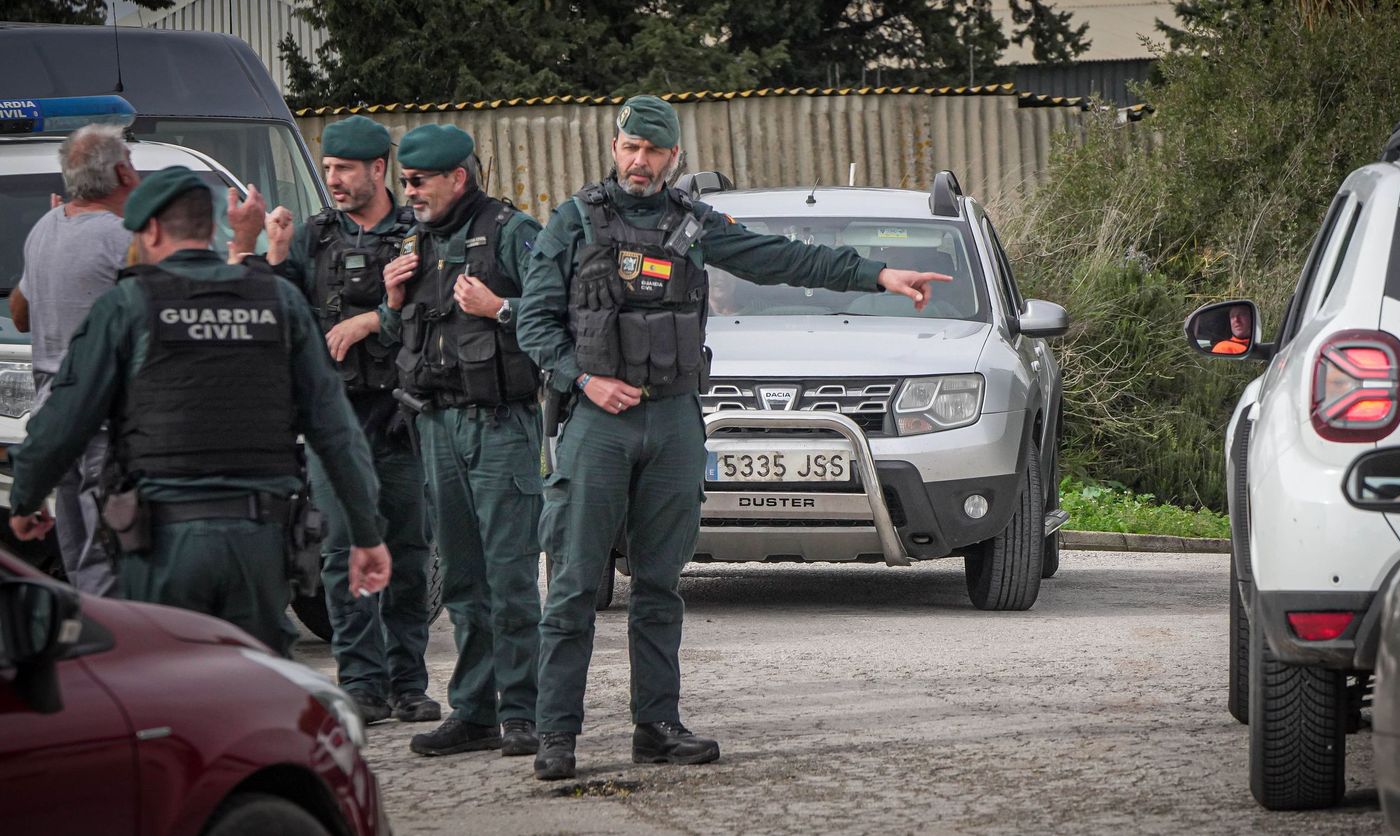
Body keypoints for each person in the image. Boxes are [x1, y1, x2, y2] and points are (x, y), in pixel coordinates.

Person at [517, 95, 953, 781]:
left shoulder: (693, 226)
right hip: (598, 423)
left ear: (675, 159)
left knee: (660, 584)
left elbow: (781, 257)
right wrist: (582, 380)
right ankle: (556, 735)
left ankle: (657, 726)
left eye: (654, 151)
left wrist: (878, 274)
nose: (640, 161)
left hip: (675, 420)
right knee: (573, 585)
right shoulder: (573, 222)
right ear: (614, 146)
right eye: (631, 147)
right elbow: (535, 325)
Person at [6, 167, 391, 656]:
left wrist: (26, 498)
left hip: (162, 543)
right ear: (211, 229)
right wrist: (366, 532)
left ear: (149, 230)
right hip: (260, 542)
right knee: (259, 691)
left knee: (169, 695)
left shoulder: (127, 305)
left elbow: (64, 420)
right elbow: (335, 431)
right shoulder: (278, 300)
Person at [263, 115, 438, 725]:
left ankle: (408, 681)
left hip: (404, 414)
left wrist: (372, 321)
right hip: (336, 419)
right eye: (328, 168)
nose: (332, 179)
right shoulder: (314, 237)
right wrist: (279, 259)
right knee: (342, 552)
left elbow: (438, 312)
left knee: (410, 555)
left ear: (377, 170)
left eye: (343, 169)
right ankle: (361, 683)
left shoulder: (419, 232)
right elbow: (283, 315)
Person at [377, 124, 545, 758]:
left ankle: (523, 712)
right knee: (465, 585)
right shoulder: (415, 241)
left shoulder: (513, 233)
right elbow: (405, 333)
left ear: (458, 178)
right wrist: (392, 300)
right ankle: (474, 712)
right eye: (405, 180)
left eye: (419, 181)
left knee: (509, 578)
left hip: (501, 427)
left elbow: (560, 317)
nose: (409, 190)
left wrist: (498, 307)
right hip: (437, 426)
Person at [8, 125, 139, 595]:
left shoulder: (46, 227)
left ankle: (92, 647)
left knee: (79, 548)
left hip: (53, 413)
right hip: (104, 418)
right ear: (123, 170)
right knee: (111, 554)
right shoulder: (124, 238)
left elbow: (20, 315)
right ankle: (119, 654)